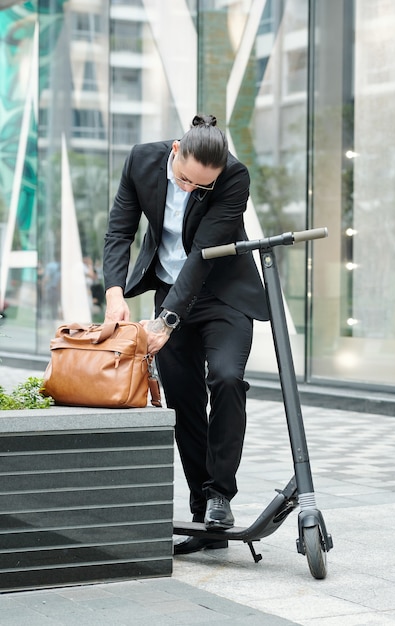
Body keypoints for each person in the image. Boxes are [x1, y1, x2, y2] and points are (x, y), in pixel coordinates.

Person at [103, 114, 269, 554]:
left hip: (223, 296)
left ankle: (220, 496)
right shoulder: (141, 161)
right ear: (175, 151)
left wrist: (167, 322)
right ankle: (203, 517)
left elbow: (202, 255)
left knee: (228, 378)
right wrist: (115, 293)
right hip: (166, 293)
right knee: (185, 400)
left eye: (201, 187)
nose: (189, 190)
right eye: (184, 180)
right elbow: (120, 229)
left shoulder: (233, 176)